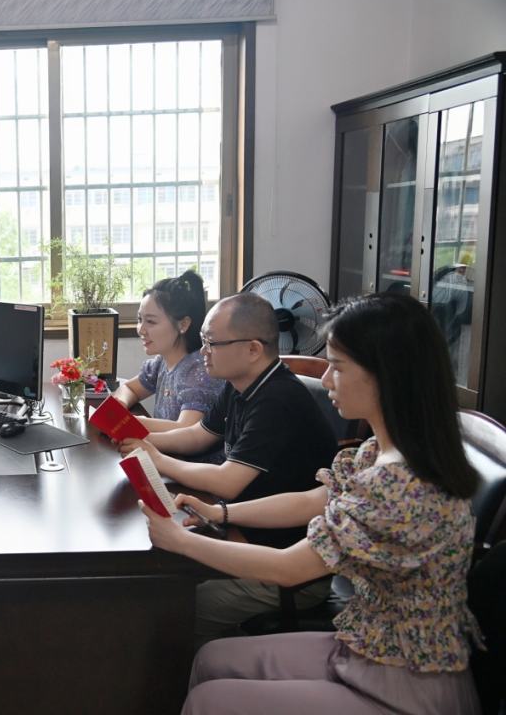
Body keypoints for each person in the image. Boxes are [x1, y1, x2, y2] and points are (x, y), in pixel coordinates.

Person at [140, 293, 482, 714]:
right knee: (211, 659)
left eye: (338, 367)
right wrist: (220, 512)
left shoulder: (399, 481)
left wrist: (179, 540)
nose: (327, 380)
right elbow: (313, 499)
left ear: (386, 375)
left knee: (208, 699)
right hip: (364, 646)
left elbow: (289, 568)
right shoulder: (376, 452)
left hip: (406, 683)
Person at [119, 292, 338, 647]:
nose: (203, 351)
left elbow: (228, 482)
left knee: (168, 609)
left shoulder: (277, 399)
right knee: (150, 585)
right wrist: (141, 438)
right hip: (243, 531)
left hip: (285, 562)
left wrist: (156, 459)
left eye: (212, 343)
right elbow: (197, 435)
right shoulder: (240, 384)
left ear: (252, 349)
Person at [112, 270, 225, 462]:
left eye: (150, 322)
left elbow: (187, 429)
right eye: (140, 320)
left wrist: (134, 423)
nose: (141, 330)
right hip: (165, 458)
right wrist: (121, 405)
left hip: (193, 470)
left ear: (183, 325)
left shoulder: (199, 370)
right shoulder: (161, 363)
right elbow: (129, 388)